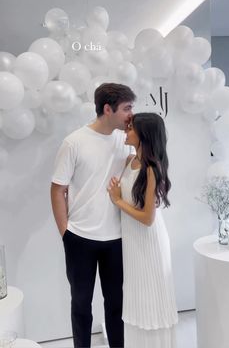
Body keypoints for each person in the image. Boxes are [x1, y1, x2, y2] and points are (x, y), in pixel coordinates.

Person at [51, 83, 136, 348]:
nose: (131, 114)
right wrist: (65, 233)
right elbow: (58, 189)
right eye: (127, 108)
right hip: (80, 239)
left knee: (116, 306)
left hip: (116, 238)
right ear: (108, 109)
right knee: (81, 305)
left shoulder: (127, 141)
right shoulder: (74, 142)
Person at [108, 112, 178, 348]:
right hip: (133, 242)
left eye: (131, 129)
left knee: (152, 299)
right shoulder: (130, 161)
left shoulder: (151, 169)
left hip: (149, 242)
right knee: (138, 298)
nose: (126, 131)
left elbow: (148, 218)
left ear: (144, 135)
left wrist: (117, 201)